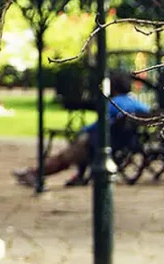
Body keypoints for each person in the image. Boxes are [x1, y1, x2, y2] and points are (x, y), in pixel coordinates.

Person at [13, 71, 151, 187]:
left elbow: (100, 124)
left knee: (68, 154)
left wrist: (84, 129)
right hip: (128, 142)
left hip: (104, 143)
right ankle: (71, 175)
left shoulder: (114, 103)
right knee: (78, 147)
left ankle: (35, 173)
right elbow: (149, 114)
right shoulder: (139, 105)